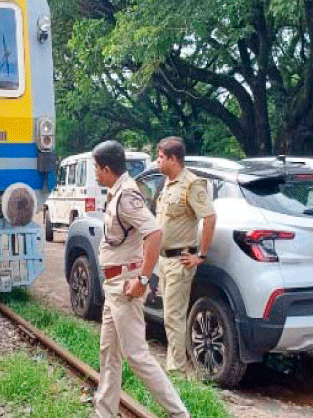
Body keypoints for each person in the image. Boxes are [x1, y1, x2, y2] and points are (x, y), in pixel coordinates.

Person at [92, 140, 189, 418]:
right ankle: (104, 412)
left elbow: (154, 233)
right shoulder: (117, 191)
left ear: (107, 169)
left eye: (96, 168)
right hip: (114, 285)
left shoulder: (126, 195)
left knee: (136, 356)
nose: (95, 173)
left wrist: (143, 281)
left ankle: (179, 414)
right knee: (109, 353)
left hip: (125, 286)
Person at [154, 137, 216, 375]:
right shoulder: (169, 184)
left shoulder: (191, 184)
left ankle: (177, 371)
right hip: (164, 260)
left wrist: (201, 255)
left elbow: (209, 217)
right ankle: (173, 366)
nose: (158, 161)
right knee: (169, 317)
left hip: (179, 261)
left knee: (174, 318)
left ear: (173, 159)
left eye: (161, 157)